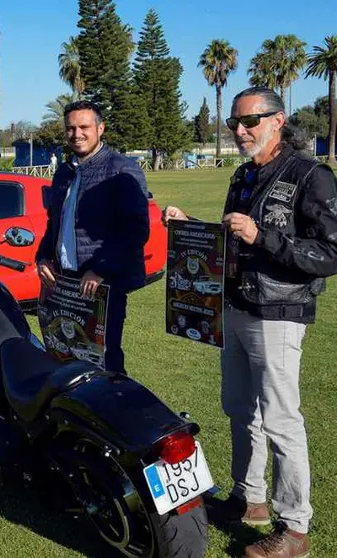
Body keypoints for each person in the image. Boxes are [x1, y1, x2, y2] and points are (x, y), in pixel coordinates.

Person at [164, 87, 337, 558]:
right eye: (234, 123)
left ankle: (295, 526)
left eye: (250, 121)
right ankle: (249, 499)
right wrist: (190, 224)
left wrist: (264, 236)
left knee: (281, 419)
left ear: (278, 120)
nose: (240, 131)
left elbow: (329, 253)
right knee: (240, 410)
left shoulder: (310, 175)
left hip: (279, 314)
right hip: (235, 307)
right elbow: (228, 241)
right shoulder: (242, 176)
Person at [34, 100, 150, 375]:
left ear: (100, 128)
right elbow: (55, 223)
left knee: (104, 358)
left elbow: (136, 231)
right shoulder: (64, 171)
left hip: (103, 285)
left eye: (84, 127)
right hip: (66, 283)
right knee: (66, 353)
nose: (77, 134)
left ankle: (116, 412)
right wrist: (42, 257)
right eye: (70, 128)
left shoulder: (121, 169)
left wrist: (100, 269)